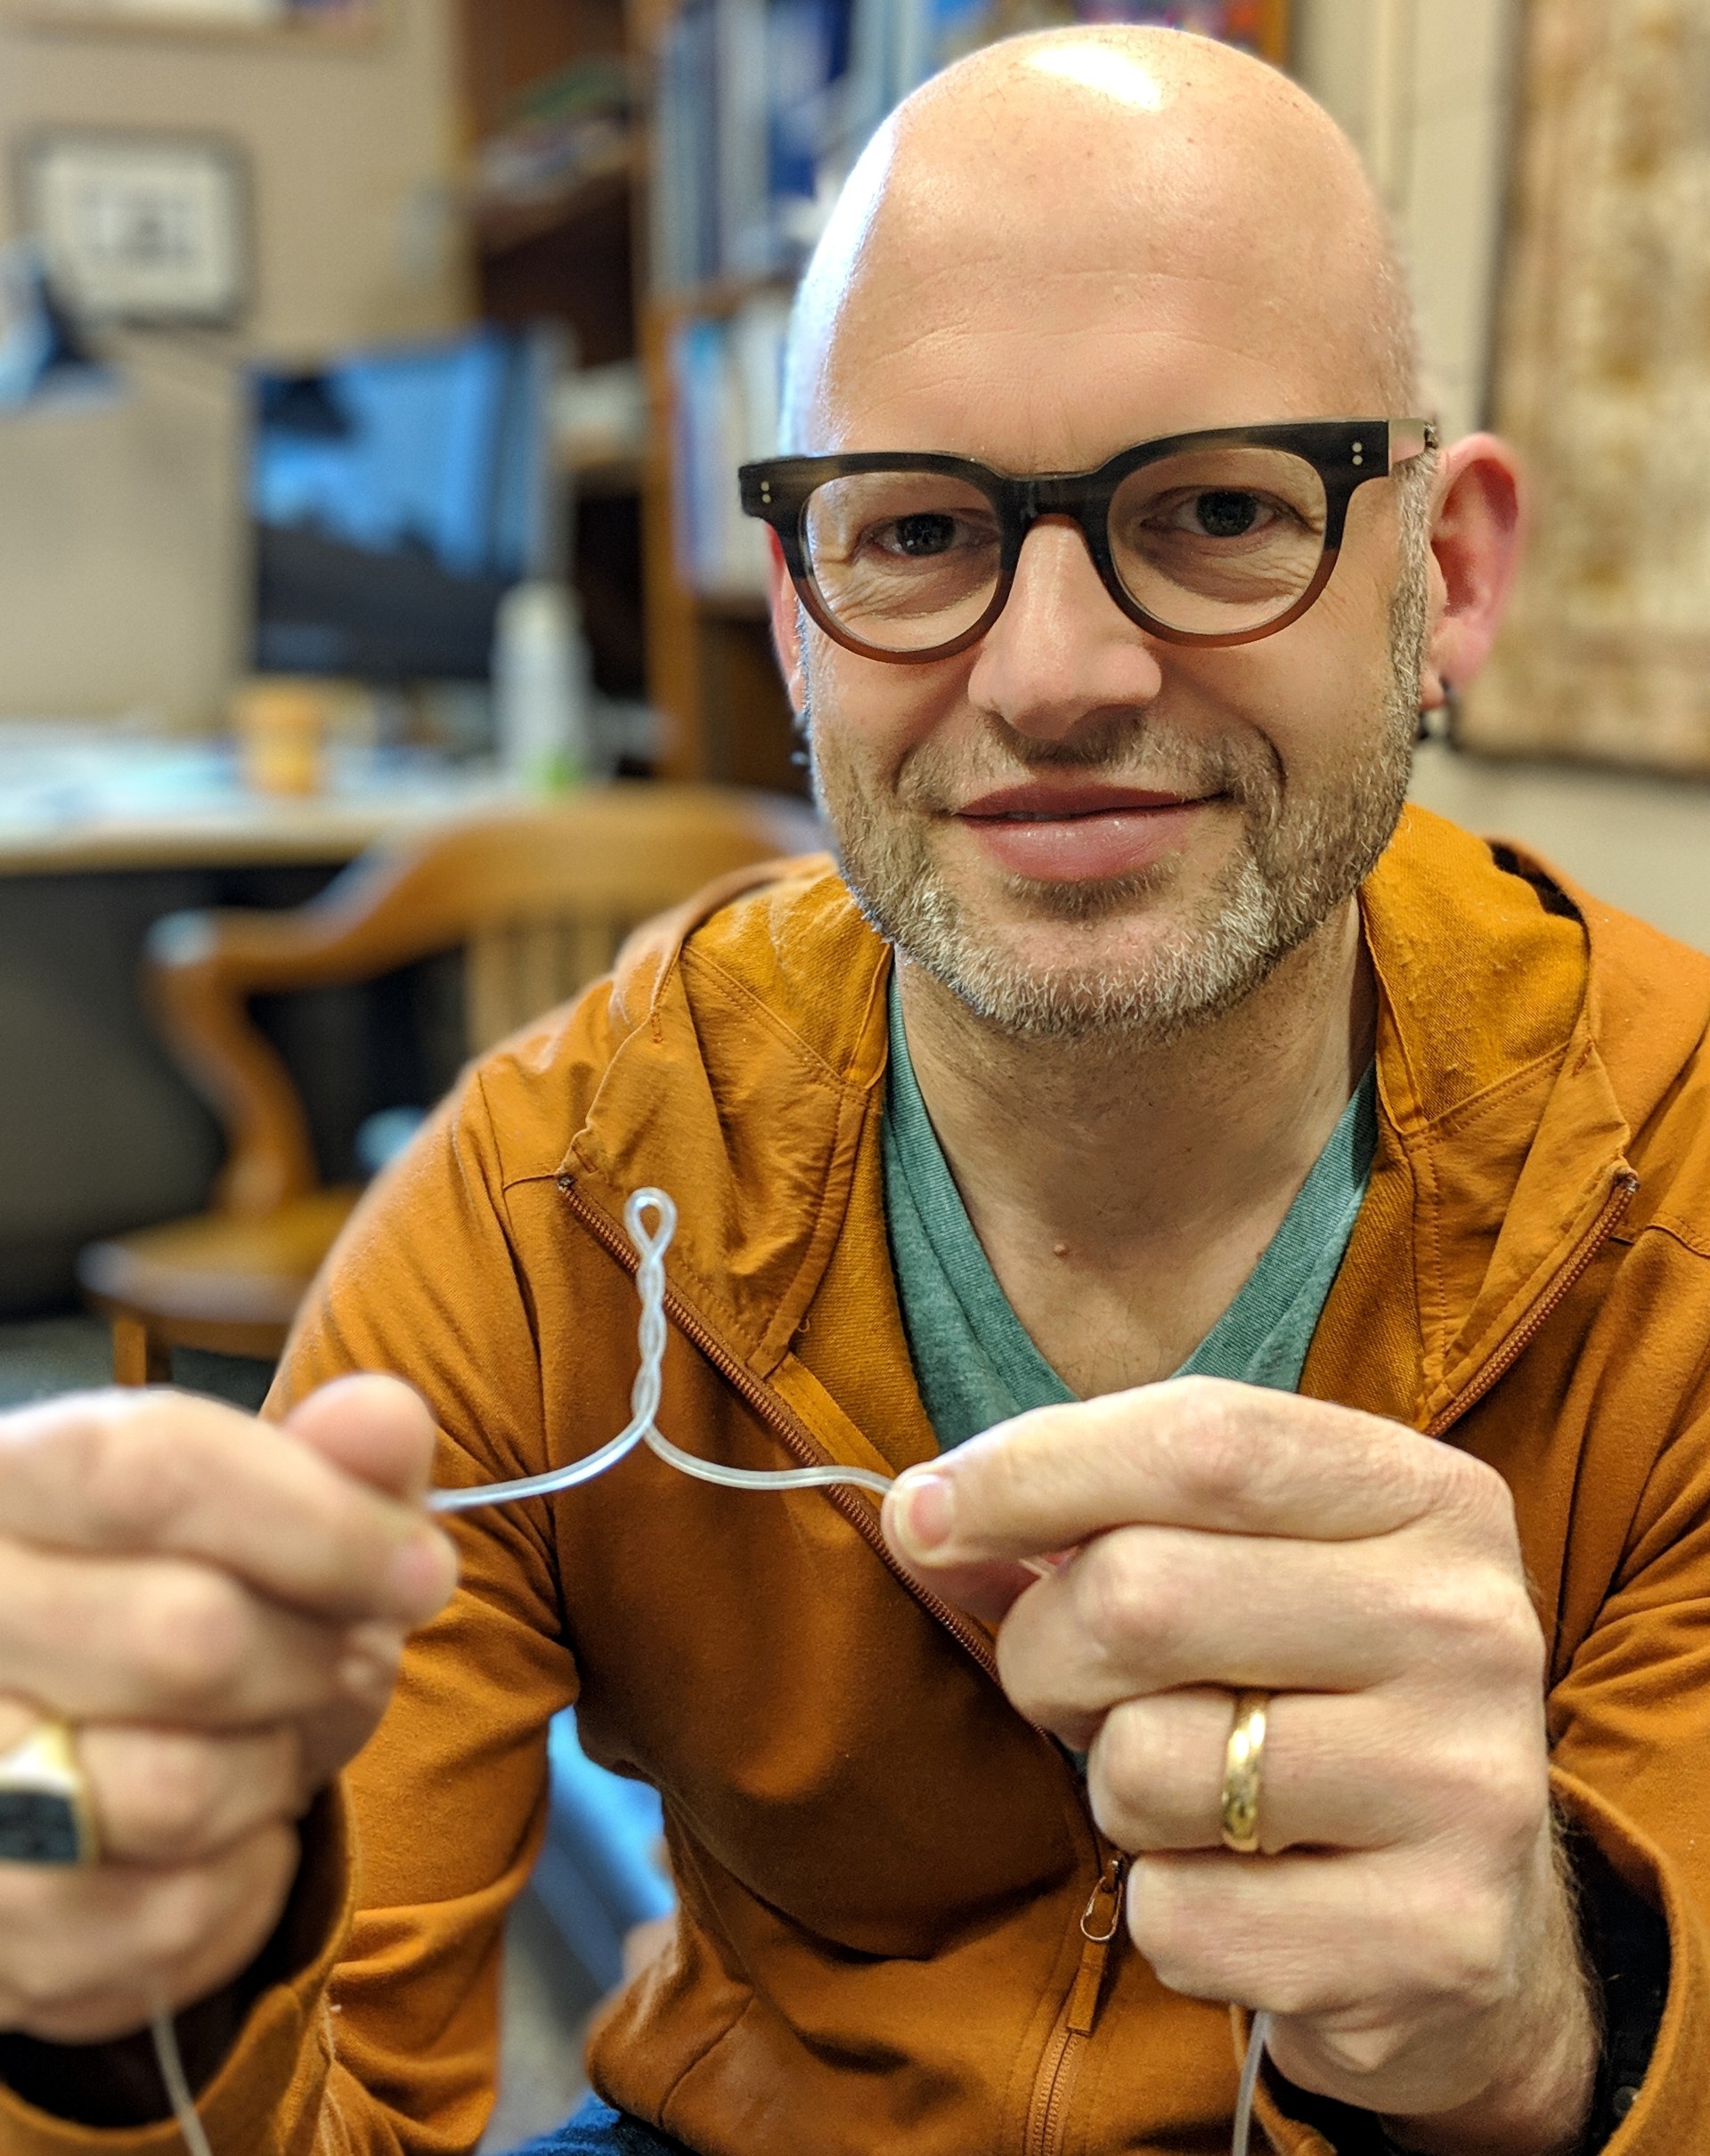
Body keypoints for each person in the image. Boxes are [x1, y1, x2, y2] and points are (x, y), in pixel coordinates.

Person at [1, 25, 1706, 2154]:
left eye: (1213, 510)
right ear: (798, 623)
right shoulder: (556, 1206)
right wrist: (109, 1996)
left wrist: (1551, 2026)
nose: (1058, 672)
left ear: (1442, 575)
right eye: (911, 530)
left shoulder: (1683, 1206)